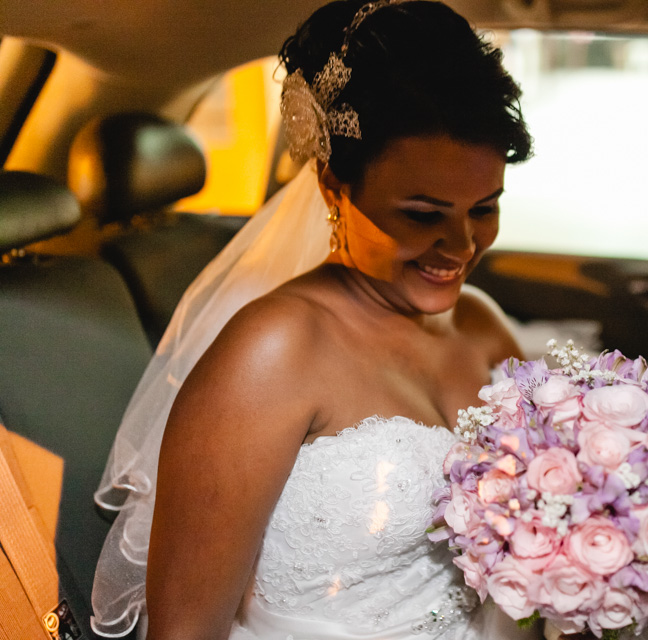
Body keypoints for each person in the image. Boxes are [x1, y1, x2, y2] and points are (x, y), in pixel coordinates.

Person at [89, 1, 541, 638]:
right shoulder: (271, 353)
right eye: (422, 215)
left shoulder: (482, 323)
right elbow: (185, 631)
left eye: (485, 208)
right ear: (333, 186)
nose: (463, 246)